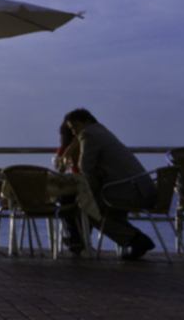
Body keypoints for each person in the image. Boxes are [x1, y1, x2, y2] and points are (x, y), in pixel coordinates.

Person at [65, 108, 156, 260]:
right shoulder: (102, 132)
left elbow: (85, 167)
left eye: (75, 127)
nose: (74, 132)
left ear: (87, 122)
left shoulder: (89, 134)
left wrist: (75, 145)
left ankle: (136, 239)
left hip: (130, 191)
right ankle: (136, 239)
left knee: (88, 209)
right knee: (95, 208)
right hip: (140, 190)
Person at [53, 120, 84, 252]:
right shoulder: (72, 146)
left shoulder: (85, 144)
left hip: (82, 183)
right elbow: (60, 167)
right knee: (69, 201)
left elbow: (59, 168)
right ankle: (79, 238)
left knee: (66, 200)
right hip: (79, 184)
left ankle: (76, 238)